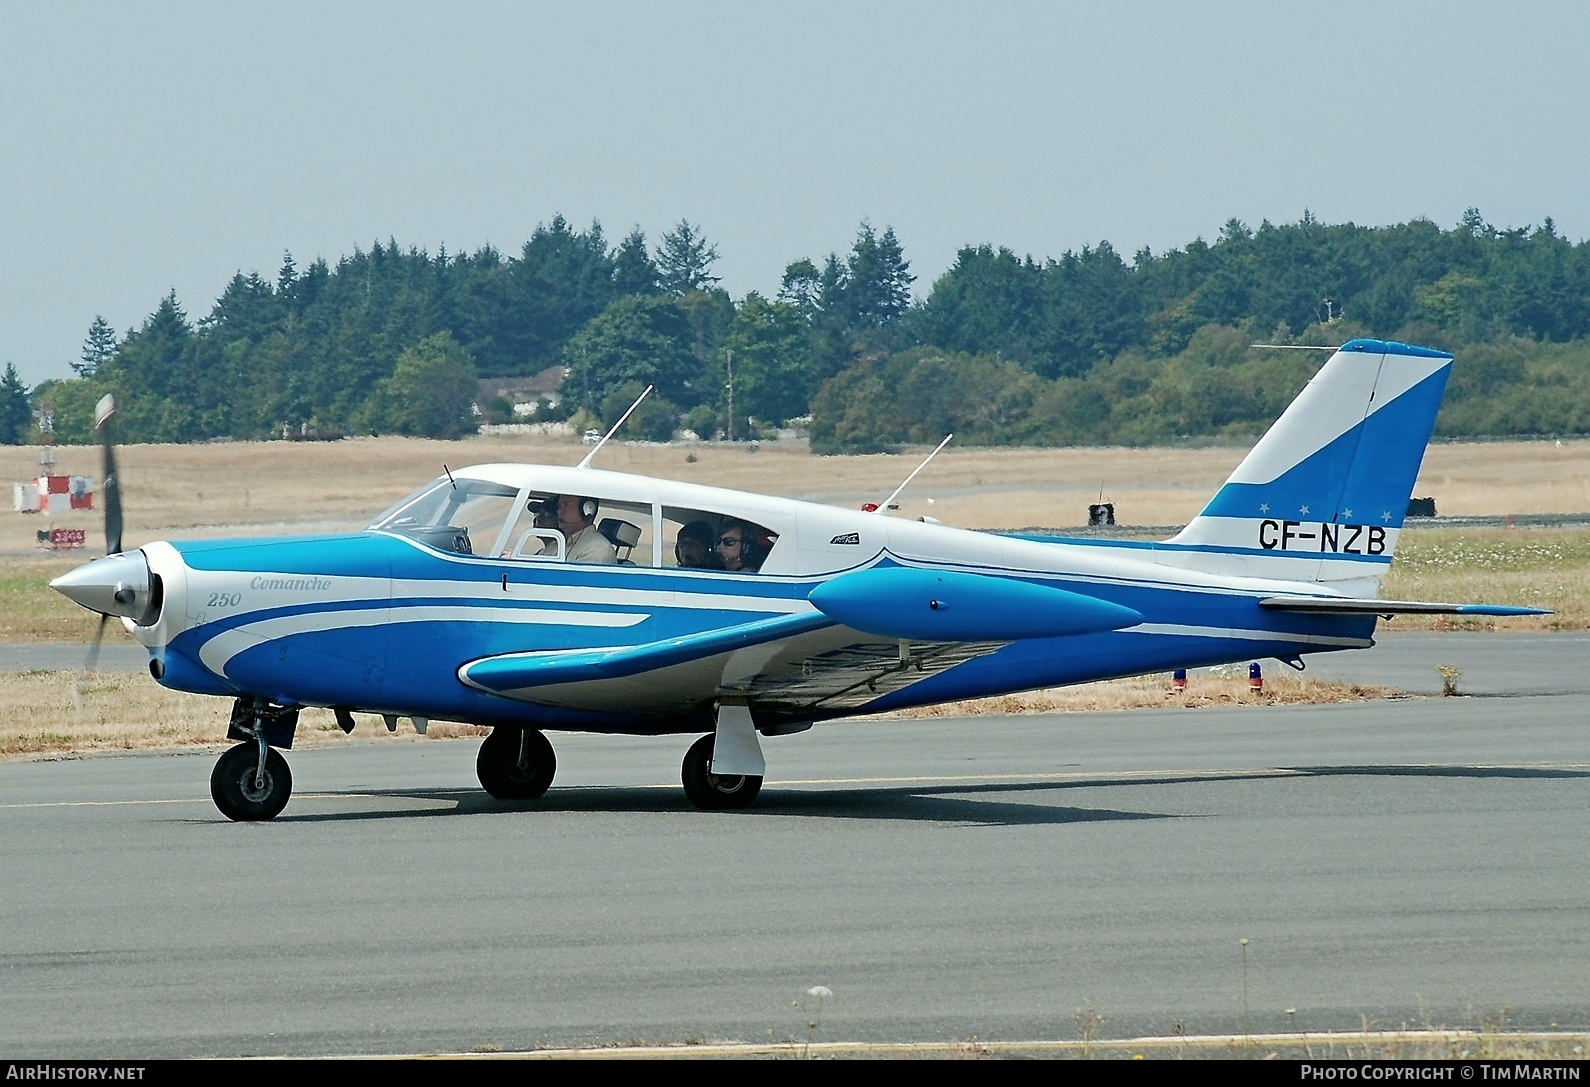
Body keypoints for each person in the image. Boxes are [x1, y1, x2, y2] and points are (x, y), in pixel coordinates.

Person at [555, 494, 617, 564]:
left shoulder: (597, 548)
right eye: (559, 505)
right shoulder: (556, 543)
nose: (559, 511)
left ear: (587, 510)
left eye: (566, 505)